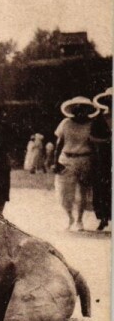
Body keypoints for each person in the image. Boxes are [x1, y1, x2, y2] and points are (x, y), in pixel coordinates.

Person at [54, 96, 98, 231]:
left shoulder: (92, 124)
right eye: (78, 109)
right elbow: (59, 143)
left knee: (82, 192)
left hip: (85, 159)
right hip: (67, 160)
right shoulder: (65, 123)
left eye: (83, 109)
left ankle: (79, 220)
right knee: (63, 193)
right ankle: (69, 217)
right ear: (73, 110)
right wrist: (55, 162)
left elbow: (95, 145)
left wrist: (95, 164)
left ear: (87, 110)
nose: (80, 111)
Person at [91, 89, 112, 230]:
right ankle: (104, 217)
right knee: (103, 186)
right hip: (105, 155)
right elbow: (92, 137)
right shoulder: (99, 119)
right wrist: (107, 140)